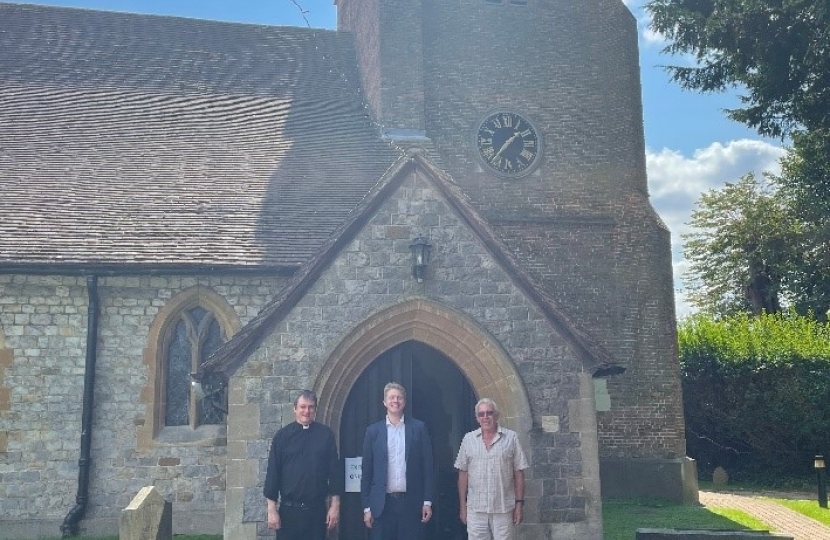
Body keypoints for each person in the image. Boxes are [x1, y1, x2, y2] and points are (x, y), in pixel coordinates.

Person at [264, 390, 343, 540]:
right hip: (289, 512)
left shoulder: (325, 435)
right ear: (295, 409)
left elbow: (334, 472)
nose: (306, 411)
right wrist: (271, 509)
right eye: (303, 407)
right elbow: (273, 473)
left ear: (315, 410)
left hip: (316, 511)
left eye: (311, 407)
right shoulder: (282, 437)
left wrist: (335, 506)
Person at [360, 382, 435, 540]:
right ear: (384, 402)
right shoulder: (373, 432)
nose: (396, 401)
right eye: (392, 397)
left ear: (404, 402)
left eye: (399, 397)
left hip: (411, 503)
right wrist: (367, 507)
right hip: (382, 504)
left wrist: (427, 501)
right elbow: (366, 472)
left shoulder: (419, 428)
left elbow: (428, 467)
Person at [454, 398, 529, 540]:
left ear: (496, 415)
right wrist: (463, 506)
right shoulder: (468, 439)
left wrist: (519, 505)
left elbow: (519, 472)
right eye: (481, 414)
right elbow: (463, 474)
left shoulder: (511, 438)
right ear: (477, 418)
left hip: (503, 507)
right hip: (476, 508)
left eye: (489, 413)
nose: (485, 417)